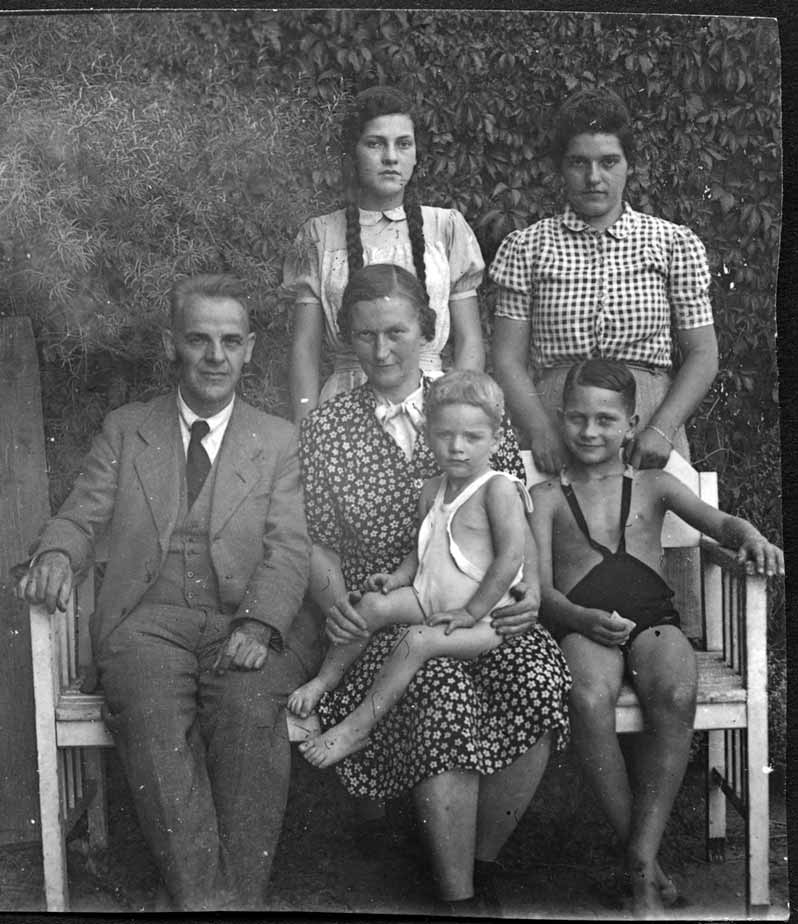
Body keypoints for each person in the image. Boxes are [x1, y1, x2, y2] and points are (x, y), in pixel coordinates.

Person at [14, 274, 320, 911]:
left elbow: (290, 548)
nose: (216, 356)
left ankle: (221, 899)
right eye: (200, 340)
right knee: (151, 717)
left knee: (247, 712)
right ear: (171, 344)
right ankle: (213, 903)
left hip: (243, 620)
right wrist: (54, 552)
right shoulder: (129, 430)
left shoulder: (276, 440)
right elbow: (80, 514)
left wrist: (260, 624)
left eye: (230, 341)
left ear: (251, 348)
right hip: (147, 623)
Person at [297, 262, 571, 912]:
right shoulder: (328, 429)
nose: (383, 349)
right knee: (439, 684)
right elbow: (312, 540)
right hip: (387, 619)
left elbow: (515, 519)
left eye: (397, 331)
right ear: (347, 339)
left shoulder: (469, 405)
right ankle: (459, 898)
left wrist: (528, 589)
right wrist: (338, 602)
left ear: (427, 328)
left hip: (480, 605)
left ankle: (478, 859)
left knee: (540, 675)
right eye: (365, 336)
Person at [529, 358, 783, 916]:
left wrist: (753, 535)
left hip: (653, 620)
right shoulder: (546, 497)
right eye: (577, 418)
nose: (590, 432)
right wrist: (578, 618)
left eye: (605, 419)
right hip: (582, 623)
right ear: (560, 417)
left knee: (673, 692)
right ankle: (645, 864)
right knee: (587, 697)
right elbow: (541, 592)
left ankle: (641, 857)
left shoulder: (654, 484)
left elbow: (722, 526)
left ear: (632, 422)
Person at [289, 370, 533, 769]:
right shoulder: (432, 488)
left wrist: (472, 612)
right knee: (369, 606)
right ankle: (325, 680)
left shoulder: (499, 488)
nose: (457, 448)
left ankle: (356, 727)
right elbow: (424, 547)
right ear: (428, 434)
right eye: (444, 435)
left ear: (497, 439)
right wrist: (400, 578)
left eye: (472, 438)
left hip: (486, 619)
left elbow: (511, 558)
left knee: (416, 642)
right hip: (429, 596)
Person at [489, 87, 718, 474]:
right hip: (557, 420)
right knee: (549, 531)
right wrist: (540, 429)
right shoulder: (525, 246)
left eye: (609, 162)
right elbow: (507, 358)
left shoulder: (672, 242)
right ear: (561, 168)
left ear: (629, 165)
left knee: (652, 532)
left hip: (646, 421)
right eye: (579, 162)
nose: (593, 177)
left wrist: (662, 429)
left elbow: (703, 353)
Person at [283, 85, 486, 421]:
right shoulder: (319, 234)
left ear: (416, 153)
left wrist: (456, 412)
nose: (391, 157)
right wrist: (309, 428)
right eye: (375, 144)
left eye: (403, 144)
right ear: (353, 152)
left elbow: (470, 343)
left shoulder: (446, 227)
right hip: (343, 409)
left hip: (434, 409)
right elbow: (305, 349)